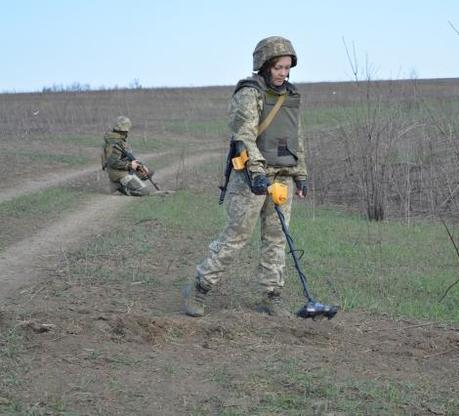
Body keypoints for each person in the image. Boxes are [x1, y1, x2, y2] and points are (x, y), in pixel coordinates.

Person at [182, 36, 308, 318]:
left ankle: (271, 296)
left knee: (277, 239)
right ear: (264, 65)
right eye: (278, 67)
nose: (283, 73)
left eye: (287, 67)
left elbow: (296, 138)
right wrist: (257, 172)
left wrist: (301, 174)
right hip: (251, 178)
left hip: (282, 177)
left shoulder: (290, 95)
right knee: (236, 236)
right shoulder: (249, 93)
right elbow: (244, 136)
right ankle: (201, 288)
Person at [101, 116, 156, 196]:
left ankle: (124, 183)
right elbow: (112, 162)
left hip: (123, 169)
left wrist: (139, 166)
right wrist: (131, 165)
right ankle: (119, 187)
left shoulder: (118, 139)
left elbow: (124, 157)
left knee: (147, 172)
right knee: (145, 192)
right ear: (125, 129)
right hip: (118, 173)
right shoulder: (114, 142)